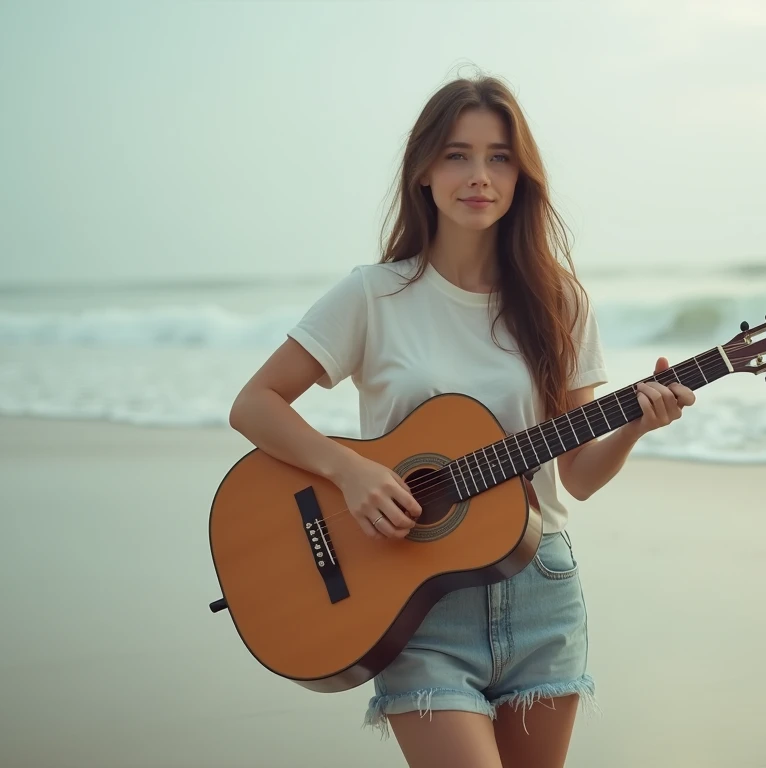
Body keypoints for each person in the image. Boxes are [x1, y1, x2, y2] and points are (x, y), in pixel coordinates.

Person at [227, 73, 696, 768]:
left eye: (499, 157)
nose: (479, 175)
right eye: (457, 154)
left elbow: (580, 477)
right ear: (423, 170)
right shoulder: (374, 295)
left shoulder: (559, 301)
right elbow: (254, 404)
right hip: (416, 602)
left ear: (521, 175)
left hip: (543, 590)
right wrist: (349, 470)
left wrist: (634, 425)